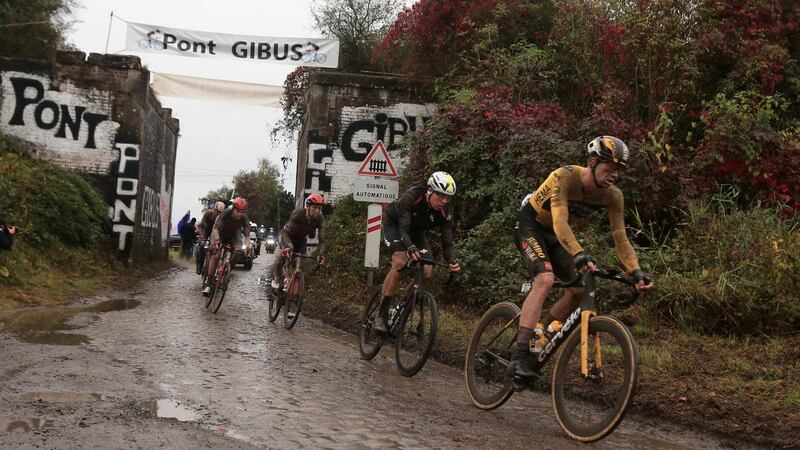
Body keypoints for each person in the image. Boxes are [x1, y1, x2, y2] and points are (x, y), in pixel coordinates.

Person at [509, 136, 654, 378]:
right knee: (544, 279)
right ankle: (519, 355)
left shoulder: (613, 196)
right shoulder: (564, 176)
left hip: (557, 235)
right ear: (592, 161)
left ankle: (541, 336)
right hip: (531, 225)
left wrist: (635, 270)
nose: (615, 174)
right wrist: (578, 253)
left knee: (577, 290)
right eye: (610, 168)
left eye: (619, 170)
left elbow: (620, 237)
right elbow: (559, 221)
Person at [372, 171, 462, 334]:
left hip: (417, 233)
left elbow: (447, 242)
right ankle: (382, 314)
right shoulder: (412, 196)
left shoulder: (446, 210)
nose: (443, 201)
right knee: (399, 263)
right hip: (396, 227)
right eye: (440, 196)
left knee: (427, 271)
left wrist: (451, 260)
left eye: (447, 197)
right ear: (429, 191)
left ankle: (403, 309)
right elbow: (403, 229)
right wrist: (410, 247)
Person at [269, 193, 327, 290]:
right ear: (308, 206)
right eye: (314, 208)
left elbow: (322, 240)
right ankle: (278, 274)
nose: (317, 211)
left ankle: (292, 287)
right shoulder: (298, 213)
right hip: (287, 235)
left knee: (299, 263)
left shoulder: (320, 219)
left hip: (301, 241)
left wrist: (320, 254)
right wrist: (286, 249)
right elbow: (287, 231)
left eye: (319, 209)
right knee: (289, 250)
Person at [202, 197, 251, 296]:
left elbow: (247, 236)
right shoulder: (225, 213)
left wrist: (246, 246)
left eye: (242, 212)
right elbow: (216, 229)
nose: (240, 214)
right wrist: (217, 240)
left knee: (238, 252)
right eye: (238, 211)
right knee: (216, 254)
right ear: (233, 208)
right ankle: (209, 283)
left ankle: (227, 272)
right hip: (220, 233)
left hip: (233, 235)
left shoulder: (244, 218)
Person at [195, 201, 226, 274]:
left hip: (215, 232)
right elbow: (201, 225)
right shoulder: (208, 213)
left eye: (220, 213)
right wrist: (201, 236)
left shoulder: (223, 217)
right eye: (217, 212)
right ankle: (200, 264)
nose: (218, 214)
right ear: (214, 209)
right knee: (202, 244)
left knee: (217, 247)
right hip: (206, 230)